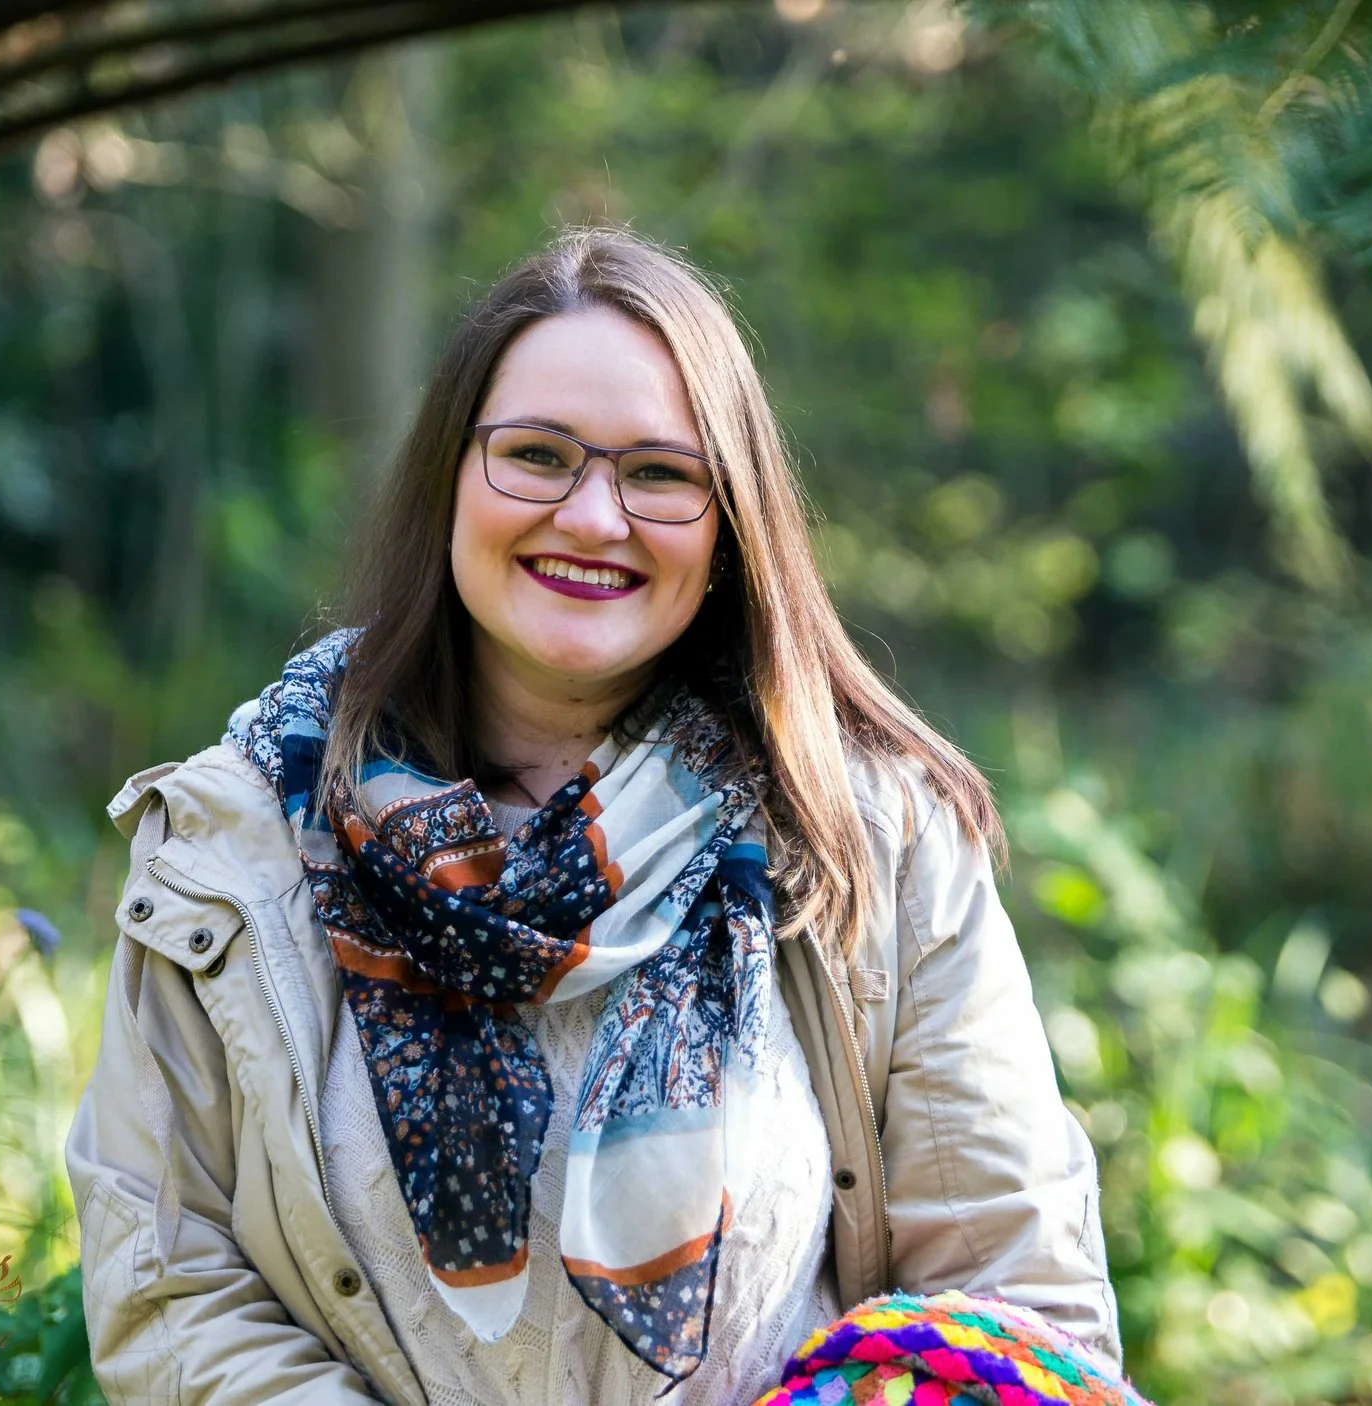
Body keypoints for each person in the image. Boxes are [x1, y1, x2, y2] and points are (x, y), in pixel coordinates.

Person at [64, 227, 1118, 1405]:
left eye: (659, 473)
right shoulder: (237, 839)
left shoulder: (870, 835)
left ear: (731, 520)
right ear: (448, 477)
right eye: (537, 453)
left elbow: (1014, 1302)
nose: (594, 517)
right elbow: (171, 1289)